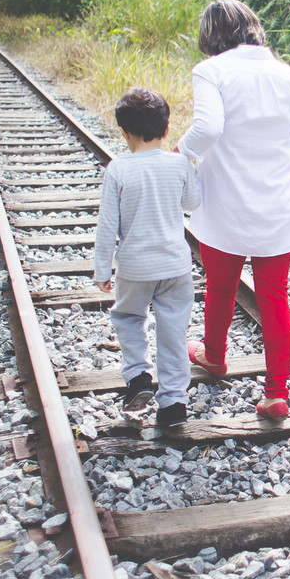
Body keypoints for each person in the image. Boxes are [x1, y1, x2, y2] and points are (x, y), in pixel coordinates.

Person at [177, 0, 290, 420]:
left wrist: (180, 154)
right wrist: (285, 162)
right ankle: (276, 393)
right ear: (252, 27)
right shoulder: (284, 73)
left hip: (225, 203)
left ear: (210, 35)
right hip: (278, 203)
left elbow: (208, 127)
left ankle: (214, 356)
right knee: (274, 297)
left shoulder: (211, 71)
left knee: (221, 288)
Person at [93, 87, 201, 428]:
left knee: (128, 318)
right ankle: (173, 403)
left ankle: (138, 376)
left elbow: (107, 226)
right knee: (173, 330)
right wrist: (190, 167)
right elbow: (192, 203)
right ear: (166, 130)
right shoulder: (178, 163)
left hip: (134, 267)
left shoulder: (118, 169)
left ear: (124, 132)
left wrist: (102, 269)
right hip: (175, 267)